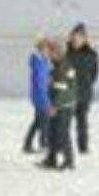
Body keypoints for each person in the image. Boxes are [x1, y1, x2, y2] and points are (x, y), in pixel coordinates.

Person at [38, 40, 79, 170]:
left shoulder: (65, 67)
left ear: (56, 53)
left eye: (50, 52)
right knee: (52, 133)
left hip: (64, 106)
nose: (48, 55)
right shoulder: (56, 66)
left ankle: (69, 161)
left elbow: (62, 89)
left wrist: (54, 105)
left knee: (62, 133)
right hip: (57, 104)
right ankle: (51, 159)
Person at [66, 23, 99, 154]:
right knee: (63, 122)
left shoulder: (91, 55)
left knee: (82, 122)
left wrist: (87, 84)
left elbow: (94, 74)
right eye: (74, 37)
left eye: (79, 37)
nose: (76, 39)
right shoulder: (66, 53)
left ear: (85, 38)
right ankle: (63, 147)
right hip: (68, 93)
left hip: (84, 93)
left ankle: (83, 147)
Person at [22, 37, 51, 153]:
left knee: (38, 121)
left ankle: (27, 144)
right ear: (40, 48)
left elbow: (47, 79)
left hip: (44, 95)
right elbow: (39, 81)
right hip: (40, 96)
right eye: (45, 48)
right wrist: (45, 98)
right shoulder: (38, 62)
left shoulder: (44, 62)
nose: (47, 51)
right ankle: (43, 144)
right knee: (44, 121)